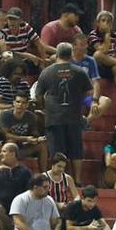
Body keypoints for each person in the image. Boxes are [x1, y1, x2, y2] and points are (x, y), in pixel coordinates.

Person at [35, 43, 92, 181]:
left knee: (56, 151)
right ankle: (77, 180)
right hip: (74, 116)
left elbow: (38, 95)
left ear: (57, 54)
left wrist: (45, 107)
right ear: (71, 54)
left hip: (54, 117)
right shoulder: (79, 71)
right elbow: (89, 92)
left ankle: (57, 179)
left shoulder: (47, 72)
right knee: (76, 150)